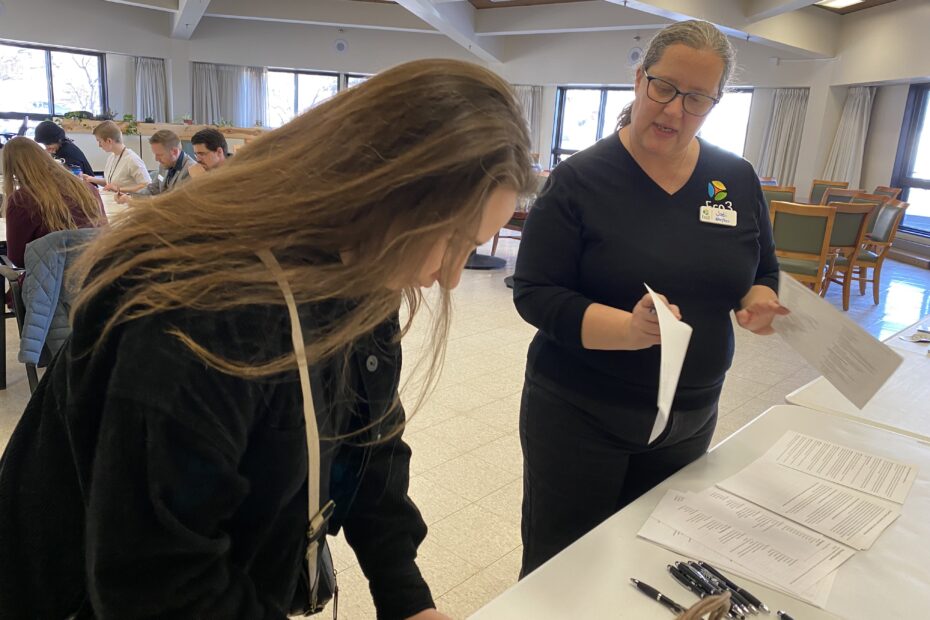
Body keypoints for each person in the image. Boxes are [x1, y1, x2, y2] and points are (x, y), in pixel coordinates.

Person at [0, 58, 534, 619]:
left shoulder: (366, 268)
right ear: (382, 193)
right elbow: (156, 582)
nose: (451, 277)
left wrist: (406, 598)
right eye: (450, 240)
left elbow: (369, 445)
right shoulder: (197, 307)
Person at [512, 20, 787, 577]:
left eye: (696, 99)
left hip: (691, 416)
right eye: (663, 88)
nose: (672, 111)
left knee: (652, 568)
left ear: (715, 103)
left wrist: (760, 296)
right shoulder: (580, 180)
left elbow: (763, 266)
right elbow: (535, 293)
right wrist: (627, 330)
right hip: (581, 416)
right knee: (563, 572)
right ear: (639, 79)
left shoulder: (734, 178)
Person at [1, 136, 106, 268]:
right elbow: (104, 234)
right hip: (93, 278)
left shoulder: (22, 200)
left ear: (11, 168)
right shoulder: (87, 189)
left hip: (49, 284)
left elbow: (18, 259)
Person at [116, 128, 194, 202]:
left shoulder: (191, 170)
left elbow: (172, 200)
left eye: (159, 155)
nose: (156, 159)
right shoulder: (164, 164)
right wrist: (131, 196)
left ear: (174, 152)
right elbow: (153, 189)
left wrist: (135, 200)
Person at [82, 120, 152, 194]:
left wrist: (118, 189)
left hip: (129, 202)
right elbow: (110, 183)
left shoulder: (132, 159)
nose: (99, 145)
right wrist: (91, 179)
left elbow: (147, 186)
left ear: (109, 141)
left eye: (99, 141)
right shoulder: (112, 157)